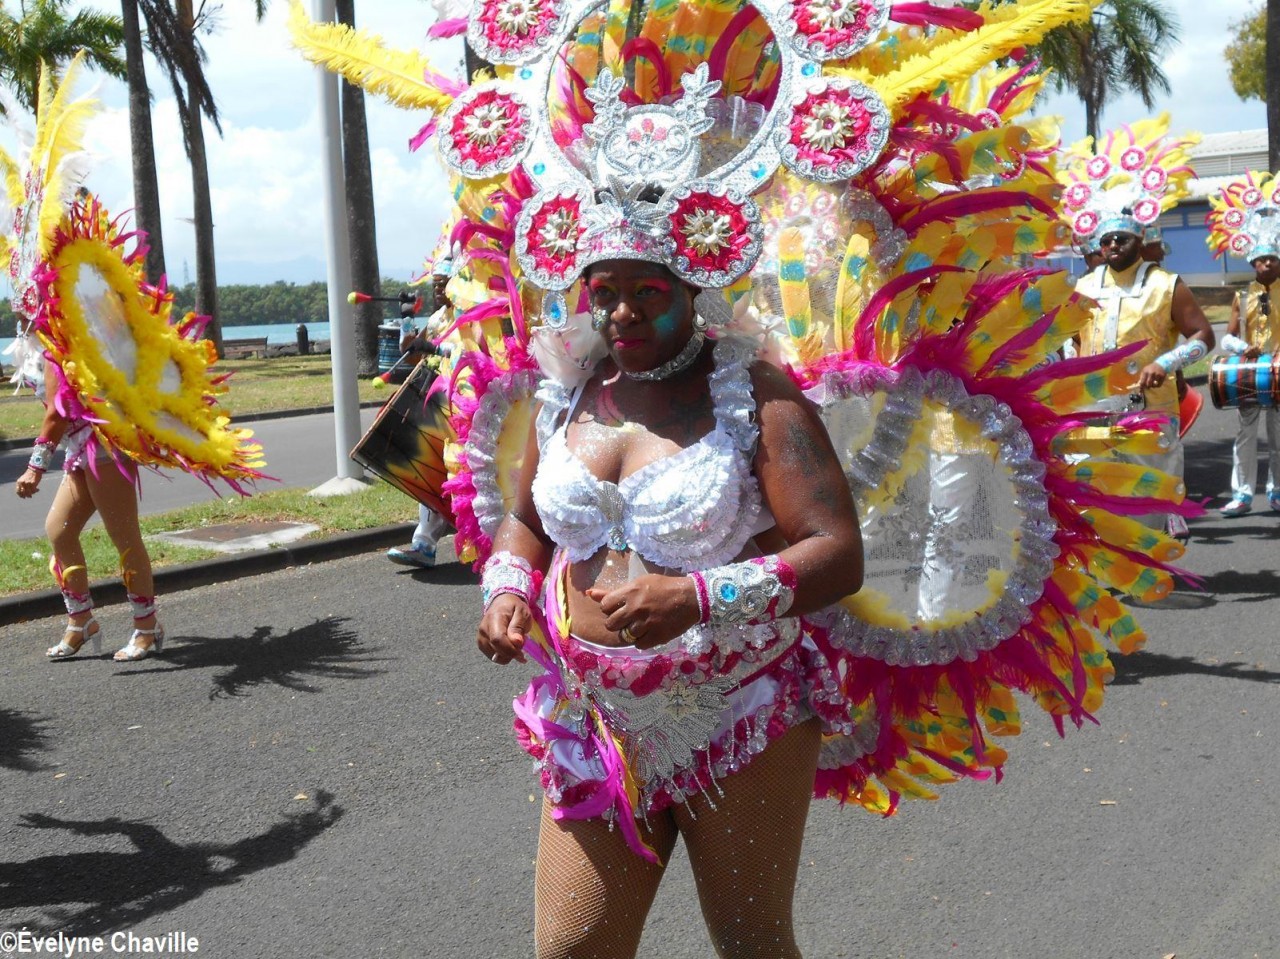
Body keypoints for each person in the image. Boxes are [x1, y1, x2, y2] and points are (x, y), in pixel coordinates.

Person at [477, 254, 864, 956]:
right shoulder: (568, 387)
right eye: (605, 293)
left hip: (736, 710)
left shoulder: (752, 394)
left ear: (692, 288)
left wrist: (697, 596)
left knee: (752, 942)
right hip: (593, 715)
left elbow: (836, 551)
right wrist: (507, 587)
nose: (622, 312)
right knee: (572, 949)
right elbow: (527, 519)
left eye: (647, 292)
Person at [1064, 119, 1214, 540]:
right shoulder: (1083, 287)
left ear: (1140, 239)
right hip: (1093, 409)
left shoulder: (1166, 284)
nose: (1113, 245)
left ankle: (1151, 561)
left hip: (1149, 409)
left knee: (1150, 504)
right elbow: (1069, 342)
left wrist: (1166, 363)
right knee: (1092, 501)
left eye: (1122, 239)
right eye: (1107, 240)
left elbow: (1204, 336)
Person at [15, 363, 164, 660]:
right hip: (79, 447)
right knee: (59, 530)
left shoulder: (59, 347)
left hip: (105, 446)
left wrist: (35, 467)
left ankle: (147, 626)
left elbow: (57, 413)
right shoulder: (43, 347)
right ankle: (81, 621)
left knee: (124, 536)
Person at [1205, 173, 1280, 516]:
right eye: (1261, 259)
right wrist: (1241, 349)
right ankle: (1243, 494)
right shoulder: (1243, 295)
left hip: (1279, 373)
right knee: (1245, 436)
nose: (1266, 264)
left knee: (1278, 437)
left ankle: (1276, 491)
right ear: (1252, 262)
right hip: (1249, 373)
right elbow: (1228, 336)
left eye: (1272, 258)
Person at [387, 258, 457, 567]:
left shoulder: (471, 313)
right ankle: (424, 544)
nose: (438, 290)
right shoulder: (438, 319)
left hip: (471, 407)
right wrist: (405, 317)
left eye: (444, 284)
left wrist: (439, 351)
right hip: (440, 408)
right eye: (435, 285)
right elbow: (410, 350)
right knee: (431, 469)